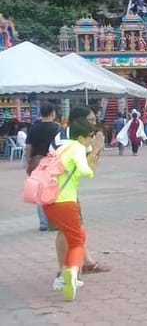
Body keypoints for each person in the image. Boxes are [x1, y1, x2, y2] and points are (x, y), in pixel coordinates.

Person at [51, 106, 109, 286]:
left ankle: (82, 264)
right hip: (58, 194)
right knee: (67, 232)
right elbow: (89, 170)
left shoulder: (74, 135)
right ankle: (64, 272)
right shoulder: (68, 142)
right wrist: (97, 148)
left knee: (76, 230)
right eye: (90, 120)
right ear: (79, 120)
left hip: (64, 192)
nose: (94, 124)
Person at [43, 118, 96, 301]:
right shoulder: (77, 148)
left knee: (75, 235)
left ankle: (64, 276)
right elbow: (84, 170)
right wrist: (91, 167)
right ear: (81, 137)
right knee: (77, 241)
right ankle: (70, 274)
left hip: (50, 201)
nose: (91, 139)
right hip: (65, 201)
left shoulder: (62, 146)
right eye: (90, 136)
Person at [24, 102, 61, 231]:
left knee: (39, 191)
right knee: (54, 190)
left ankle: (43, 223)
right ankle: (54, 221)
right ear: (53, 113)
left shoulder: (33, 128)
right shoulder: (58, 128)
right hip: (52, 163)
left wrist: (29, 162)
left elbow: (28, 147)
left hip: (37, 162)